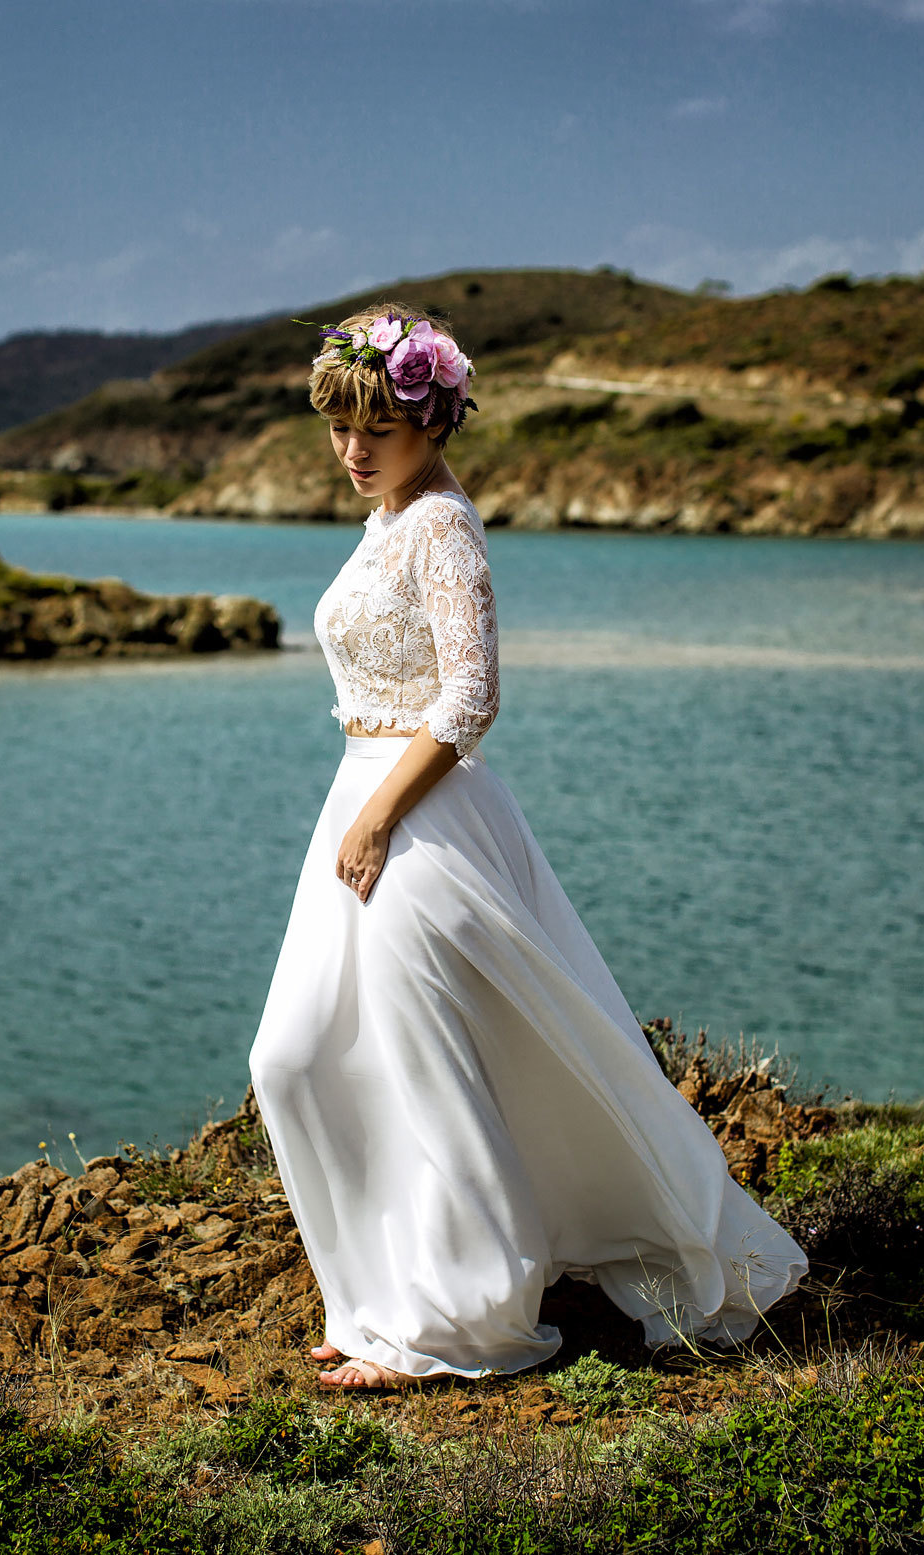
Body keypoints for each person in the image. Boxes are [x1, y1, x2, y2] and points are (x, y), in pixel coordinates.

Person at [250, 303, 808, 1393]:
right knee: (297, 1053)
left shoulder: (443, 525)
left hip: (416, 812)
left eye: (378, 429)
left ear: (434, 423)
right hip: (358, 799)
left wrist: (379, 817)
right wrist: (357, 810)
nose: (353, 452)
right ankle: (377, 1300)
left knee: (427, 1068)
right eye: (338, 429)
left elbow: (471, 695)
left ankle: (462, 1320)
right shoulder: (386, 516)